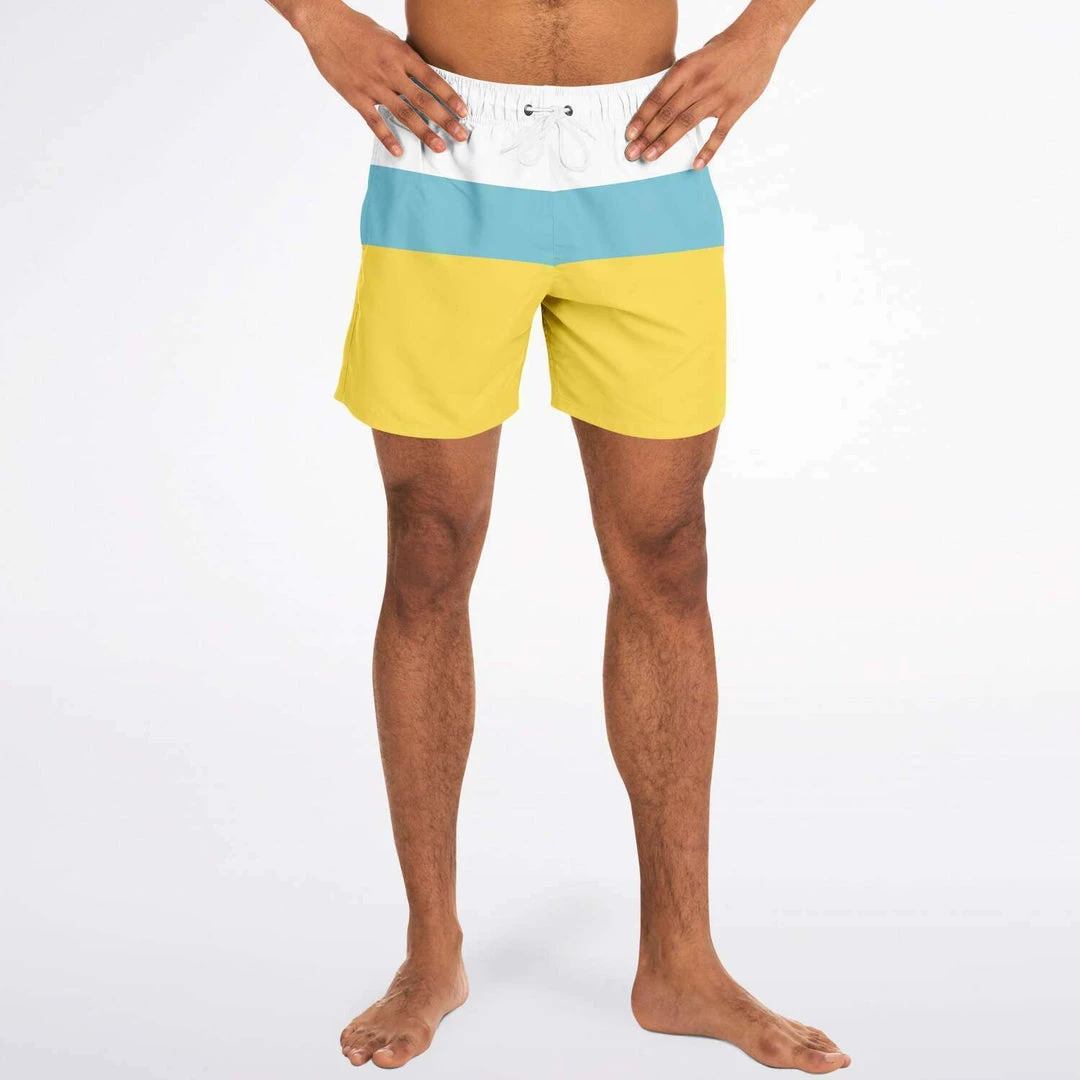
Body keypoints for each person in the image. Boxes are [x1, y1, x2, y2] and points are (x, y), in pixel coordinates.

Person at [267, 0, 850, 1071]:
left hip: (645, 147)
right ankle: (431, 952)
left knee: (667, 554)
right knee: (429, 549)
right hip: (444, 145)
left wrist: (765, 30)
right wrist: (316, 19)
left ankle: (681, 962)